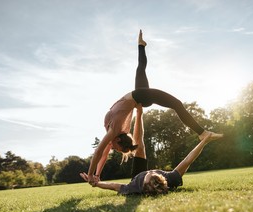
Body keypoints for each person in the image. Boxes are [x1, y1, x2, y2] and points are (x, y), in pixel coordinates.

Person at [87, 30, 222, 185]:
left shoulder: (114, 130)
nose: (113, 149)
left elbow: (99, 152)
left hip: (140, 97)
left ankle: (202, 133)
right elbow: (102, 154)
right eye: (116, 149)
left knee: (172, 100)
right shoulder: (113, 134)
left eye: (117, 148)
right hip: (140, 98)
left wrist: (91, 175)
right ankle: (203, 133)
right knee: (142, 71)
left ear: (118, 140)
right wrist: (96, 175)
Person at [80, 104, 221, 195]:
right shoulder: (169, 179)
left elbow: (114, 186)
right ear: (161, 179)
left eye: (150, 175)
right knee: (140, 146)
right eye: (156, 175)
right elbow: (187, 160)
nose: (152, 172)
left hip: (136, 175)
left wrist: (96, 183)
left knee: (140, 147)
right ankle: (140, 112)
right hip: (155, 182)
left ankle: (139, 111)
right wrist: (204, 142)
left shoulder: (134, 187)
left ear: (145, 184)